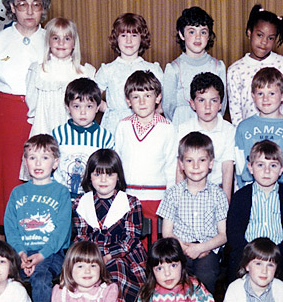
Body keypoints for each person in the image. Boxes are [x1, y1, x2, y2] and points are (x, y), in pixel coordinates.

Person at [0, 0, 52, 238]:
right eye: (22, 3)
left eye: (36, 3)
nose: (29, 10)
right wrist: (6, 115)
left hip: (41, 119)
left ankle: (36, 258)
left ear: (43, 7)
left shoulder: (52, 41)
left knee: (37, 182)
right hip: (5, 121)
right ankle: (0, 256)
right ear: (11, 6)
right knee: (2, 188)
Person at [4, 134, 71, 302]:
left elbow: (61, 231)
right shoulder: (18, 193)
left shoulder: (61, 192)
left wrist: (41, 256)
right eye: (32, 158)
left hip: (51, 252)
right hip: (22, 251)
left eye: (44, 157)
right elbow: (10, 226)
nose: (38, 163)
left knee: (40, 278)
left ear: (55, 162)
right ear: (25, 162)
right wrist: (21, 253)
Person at [72, 149, 147, 302]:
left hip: (125, 256)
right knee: (83, 269)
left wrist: (107, 255)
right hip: (91, 255)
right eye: (97, 174)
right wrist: (94, 258)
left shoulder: (130, 202)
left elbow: (130, 239)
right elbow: (81, 236)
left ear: (118, 177)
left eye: (109, 174)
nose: (103, 180)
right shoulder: (81, 203)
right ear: (89, 177)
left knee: (116, 268)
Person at [226, 140, 283, 298]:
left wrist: (275, 253)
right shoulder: (241, 197)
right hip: (247, 254)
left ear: (282, 169)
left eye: (273, 166)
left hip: (281, 253)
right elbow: (233, 233)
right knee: (235, 281)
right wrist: (252, 255)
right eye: (260, 165)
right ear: (250, 168)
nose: (267, 171)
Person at [157, 132, 229, 295]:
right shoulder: (172, 194)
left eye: (202, 160)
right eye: (189, 161)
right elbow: (167, 232)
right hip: (179, 248)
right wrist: (185, 248)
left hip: (208, 250)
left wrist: (201, 247)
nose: (195, 166)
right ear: (181, 164)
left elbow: (223, 234)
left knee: (206, 274)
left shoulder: (218, 195)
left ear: (211, 163)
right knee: (174, 274)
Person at [114, 70, 177, 244]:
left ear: (158, 98)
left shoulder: (168, 128)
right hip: (128, 196)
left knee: (154, 246)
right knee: (130, 244)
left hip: (157, 199)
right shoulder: (123, 126)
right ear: (128, 100)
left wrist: (169, 201)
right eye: (136, 97)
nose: (142, 102)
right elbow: (116, 163)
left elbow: (171, 167)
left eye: (147, 95)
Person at [24, 17, 96, 143]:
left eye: (67, 38)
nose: (61, 43)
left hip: (75, 133)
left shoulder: (85, 73)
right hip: (44, 127)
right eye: (56, 38)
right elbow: (31, 102)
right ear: (48, 42)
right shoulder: (38, 71)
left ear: (74, 43)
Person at [234, 66, 283, 194]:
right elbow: (239, 167)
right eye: (260, 94)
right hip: (252, 191)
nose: (265, 99)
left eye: (271, 93)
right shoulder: (243, 127)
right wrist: (245, 193)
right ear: (253, 96)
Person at [227, 4, 283, 126]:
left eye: (270, 38)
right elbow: (235, 113)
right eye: (259, 35)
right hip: (251, 138)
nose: (264, 42)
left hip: (281, 134)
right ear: (249, 32)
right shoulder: (235, 70)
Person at [96, 13, 164, 136]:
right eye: (123, 35)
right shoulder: (108, 70)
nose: (129, 41)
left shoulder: (152, 69)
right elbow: (92, 96)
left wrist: (155, 111)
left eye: (134, 35)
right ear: (116, 38)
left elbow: (165, 98)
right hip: (115, 126)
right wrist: (108, 109)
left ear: (142, 38)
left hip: (145, 123)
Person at [175, 72, 235, 202]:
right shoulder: (184, 129)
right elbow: (180, 167)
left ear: (220, 104)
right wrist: (178, 199)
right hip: (189, 194)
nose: (207, 106)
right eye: (201, 100)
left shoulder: (228, 130)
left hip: (217, 193)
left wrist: (226, 201)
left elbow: (227, 167)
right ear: (192, 104)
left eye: (213, 101)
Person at [52, 78, 115, 199]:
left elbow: (110, 170)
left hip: (92, 198)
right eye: (76, 106)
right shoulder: (58, 133)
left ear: (97, 107)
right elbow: (50, 164)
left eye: (89, 106)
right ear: (67, 107)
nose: (83, 112)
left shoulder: (105, 137)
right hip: (61, 196)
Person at [163, 6, 226, 127]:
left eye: (203, 32)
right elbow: (168, 107)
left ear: (209, 36)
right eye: (192, 32)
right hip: (182, 124)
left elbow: (222, 105)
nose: (198, 37)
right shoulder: (174, 68)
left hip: (210, 126)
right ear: (182, 34)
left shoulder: (218, 67)